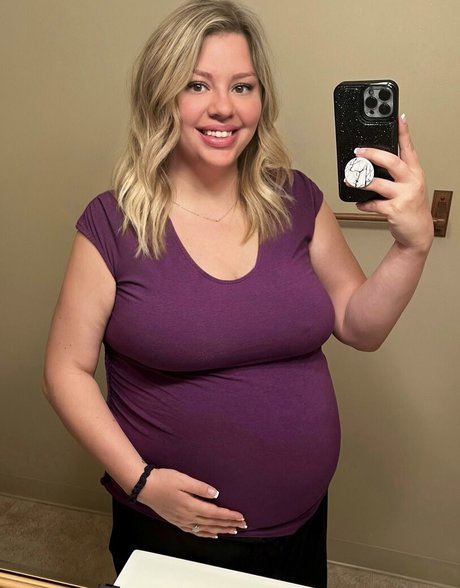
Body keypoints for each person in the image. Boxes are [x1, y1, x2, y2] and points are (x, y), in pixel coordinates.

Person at [42, 1, 433, 586]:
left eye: (242, 86)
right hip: (172, 523)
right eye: (197, 84)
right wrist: (141, 483)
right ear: (161, 96)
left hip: (300, 523)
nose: (223, 106)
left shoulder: (298, 200)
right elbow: (64, 371)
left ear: (260, 99)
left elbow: (360, 326)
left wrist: (411, 247)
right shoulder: (113, 223)